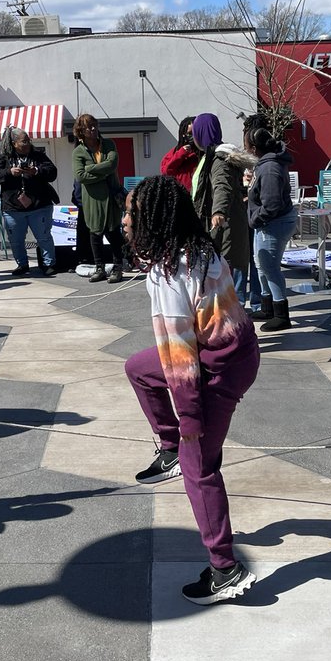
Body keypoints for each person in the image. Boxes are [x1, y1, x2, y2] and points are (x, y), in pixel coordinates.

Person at [123, 175, 259, 605]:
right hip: (232, 349)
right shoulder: (196, 247)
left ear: (154, 219)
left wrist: (190, 420)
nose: (124, 220)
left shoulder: (169, 273)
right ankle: (169, 450)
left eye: (131, 213)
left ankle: (225, 570)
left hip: (221, 368)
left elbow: (178, 356)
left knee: (199, 465)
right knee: (138, 369)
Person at [189, 113, 251, 299]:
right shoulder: (210, 156)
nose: (192, 138)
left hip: (223, 227)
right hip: (217, 226)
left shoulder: (219, 159)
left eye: (194, 133)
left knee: (225, 281)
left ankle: (232, 314)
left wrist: (219, 211)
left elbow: (222, 186)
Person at [0, 126, 60, 276]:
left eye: (28, 140)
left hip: (39, 205)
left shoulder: (38, 156)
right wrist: (9, 172)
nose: (27, 144)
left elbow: (52, 172)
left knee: (44, 237)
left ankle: (48, 264)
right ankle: (22, 264)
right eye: (24, 141)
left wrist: (37, 171)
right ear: (14, 143)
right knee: (16, 240)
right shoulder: (5, 158)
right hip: (13, 208)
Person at [246, 125, 296, 331]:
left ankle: (281, 315)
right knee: (261, 265)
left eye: (246, 146)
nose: (245, 150)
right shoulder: (265, 165)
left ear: (254, 148)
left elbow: (272, 204)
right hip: (267, 223)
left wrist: (255, 219)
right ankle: (267, 307)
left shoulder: (269, 168)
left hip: (273, 223)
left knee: (270, 267)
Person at [72, 113, 125, 283]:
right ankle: (99, 268)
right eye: (89, 127)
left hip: (111, 196)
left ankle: (118, 268)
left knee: (113, 233)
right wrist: (103, 173)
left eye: (94, 125)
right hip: (92, 199)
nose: (93, 129)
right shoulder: (78, 152)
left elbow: (112, 164)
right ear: (81, 131)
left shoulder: (109, 144)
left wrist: (91, 168)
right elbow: (80, 176)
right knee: (95, 234)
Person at [159, 116, 198, 191]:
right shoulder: (175, 152)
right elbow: (166, 171)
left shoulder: (204, 152)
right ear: (183, 134)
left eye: (195, 133)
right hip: (180, 193)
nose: (193, 137)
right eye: (190, 133)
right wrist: (181, 154)